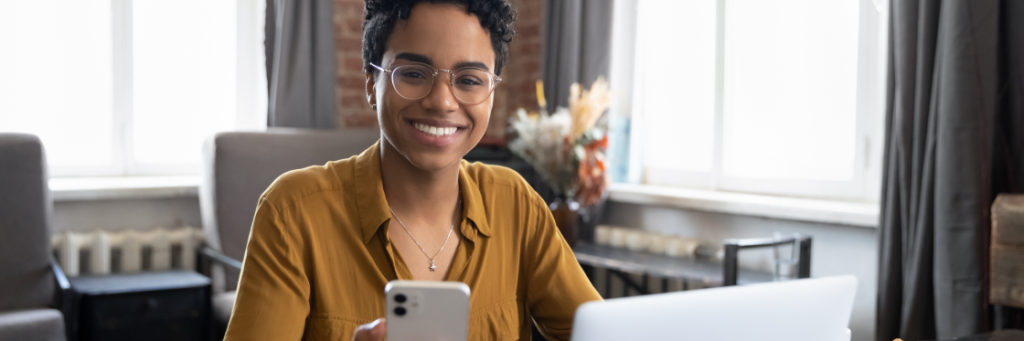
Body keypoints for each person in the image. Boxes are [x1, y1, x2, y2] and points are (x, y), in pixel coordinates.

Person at [223, 0, 601, 340]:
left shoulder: (516, 205)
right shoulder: (292, 213)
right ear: (371, 83)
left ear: (492, 93)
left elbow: (599, 330)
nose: (441, 101)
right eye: (414, 73)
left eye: (469, 80)